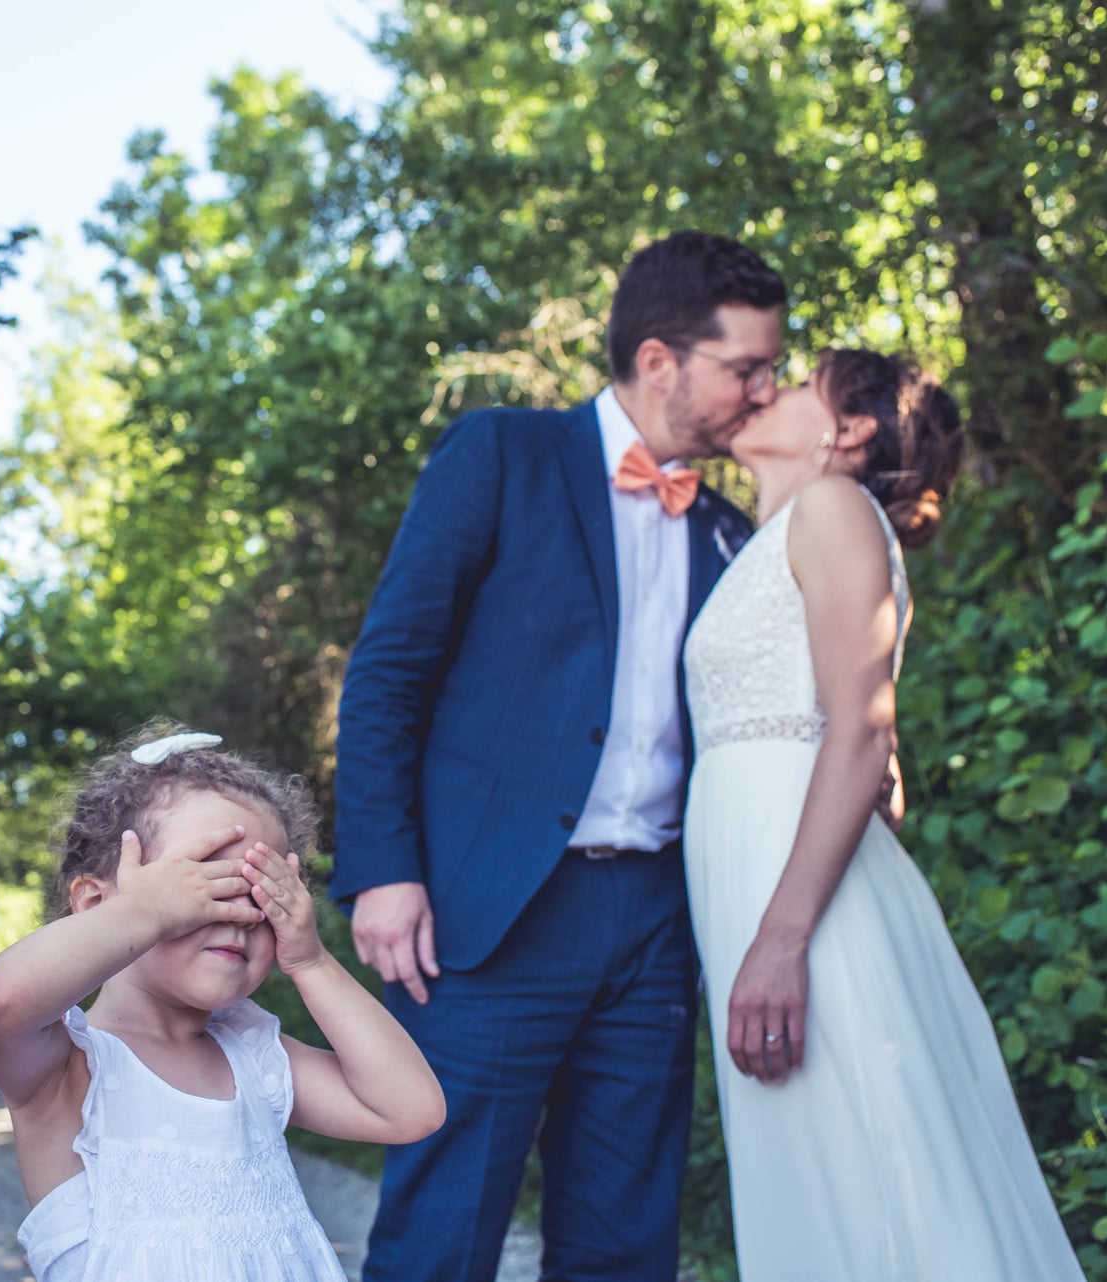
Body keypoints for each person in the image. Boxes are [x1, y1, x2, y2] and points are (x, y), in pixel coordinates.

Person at [334, 230, 780, 1281]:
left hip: (655, 924)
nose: (765, 392)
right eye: (747, 368)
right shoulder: (501, 454)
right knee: (442, 1233)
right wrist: (385, 869)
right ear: (661, 358)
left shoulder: (730, 529)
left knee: (624, 1242)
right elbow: (390, 668)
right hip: (487, 915)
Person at [682, 349, 1086, 1279]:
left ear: (852, 428)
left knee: (876, 1163)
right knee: (819, 1168)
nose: (760, 392)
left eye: (788, 383)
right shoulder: (778, 531)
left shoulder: (832, 507)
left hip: (806, 906)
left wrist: (781, 941)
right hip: (759, 880)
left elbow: (862, 736)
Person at [0, 725, 445, 1281]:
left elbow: (412, 1109)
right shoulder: (64, 1067)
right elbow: (2, 1002)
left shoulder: (253, 1055)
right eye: (203, 890)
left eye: (262, 900)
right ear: (98, 903)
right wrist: (150, 911)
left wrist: (311, 961)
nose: (238, 917)